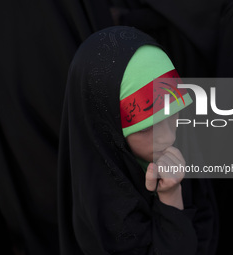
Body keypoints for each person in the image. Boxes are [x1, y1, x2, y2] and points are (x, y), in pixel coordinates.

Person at [57, 26, 218, 254]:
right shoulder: (105, 209)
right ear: (108, 128)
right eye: (145, 128)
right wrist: (171, 198)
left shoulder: (184, 147)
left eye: (173, 113)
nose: (168, 136)